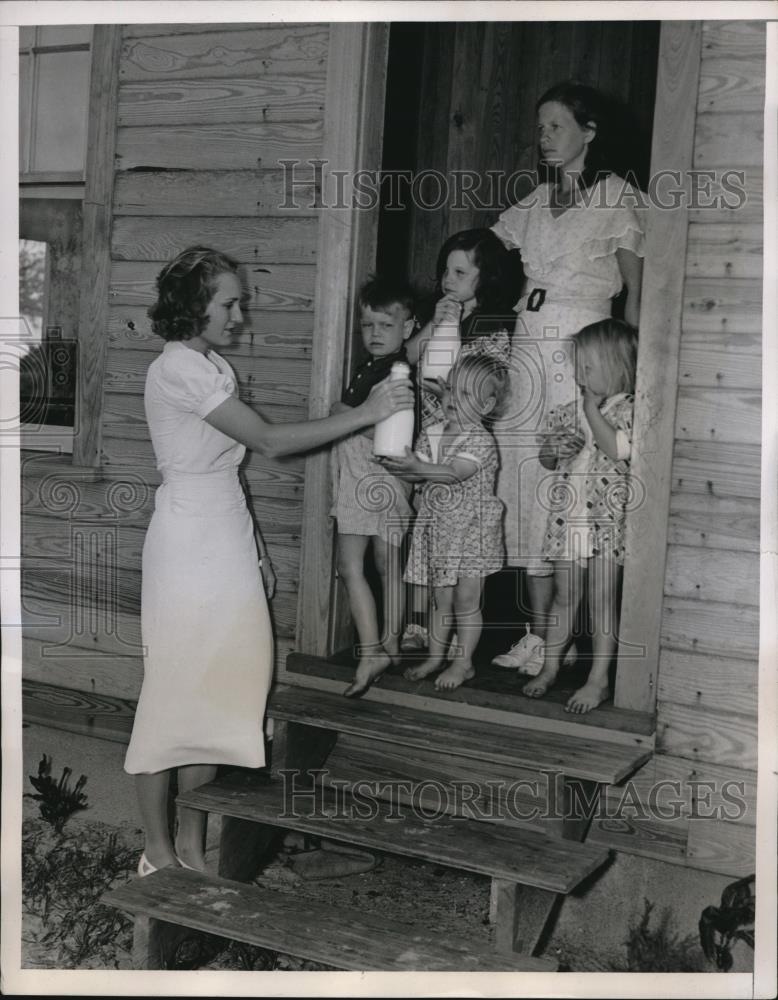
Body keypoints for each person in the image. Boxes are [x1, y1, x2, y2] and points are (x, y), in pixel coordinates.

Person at [123, 247, 413, 875]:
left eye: (240, 302)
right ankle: (156, 852)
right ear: (193, 306)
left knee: (216, 698)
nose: (239, 313)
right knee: (173, 695)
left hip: (226, 536)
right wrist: (367, 413)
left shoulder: (213, 364)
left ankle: (195, 853)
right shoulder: (177, 369)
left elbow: (233, 470)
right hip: (186, 543)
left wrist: (255, 550)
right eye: (229, 302)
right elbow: (266, 442)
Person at [489, 81, 645, 672]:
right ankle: (538, 635)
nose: (544, 137)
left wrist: (630, 373)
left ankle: (573, 637)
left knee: (573, 481)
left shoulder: (616, 197)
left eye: (556, 126)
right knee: (527, 479)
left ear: (590, 132)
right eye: (540, 127)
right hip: (528, 349)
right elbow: (485, 258)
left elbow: (635, 293)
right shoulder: (532, 202)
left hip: (584, 355)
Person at [400, 228, 514, 653]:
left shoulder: (493, 326)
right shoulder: (441, 313)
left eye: (461, 272)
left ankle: (452, 639)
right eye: (446, 270)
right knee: (426, 531)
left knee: (456, 539)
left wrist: (446, 390)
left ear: (485, 278)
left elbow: (484, 385)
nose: (450, 279)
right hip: (429, 432)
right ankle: (425, 625)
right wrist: (437, 321)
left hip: (463, 440)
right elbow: (408, 358)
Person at [524, 318, 638, 713]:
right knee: (564, 597)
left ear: (618, 365)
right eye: (578, 367)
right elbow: (546, 458)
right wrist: (556, 447)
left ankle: (598, 680)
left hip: (606, 525)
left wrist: (592, 409)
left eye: (589, 368)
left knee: (602, 601)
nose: (579, 375)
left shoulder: (628, 409)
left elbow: (617, 449)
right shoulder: (568, 411)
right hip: (567, 521)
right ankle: (550, 667)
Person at [381, 353, 509, 691]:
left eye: (466, 395)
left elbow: (454, 474)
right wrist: (397, 462)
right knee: (442, 600)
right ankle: (436, 657)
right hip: (438, 530)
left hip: (472, 532)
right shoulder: (432, 433)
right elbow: (417, 472)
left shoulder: (481, 441)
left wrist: (417, 467)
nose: (453, 399)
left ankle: (463, 662)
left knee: (467, 600)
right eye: (451, 389)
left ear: (486, 404)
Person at [329, 277, 417, 698]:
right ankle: (382, 645)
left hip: (377, 476)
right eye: (367, 326)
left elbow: (386, 433)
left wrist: (343, 413)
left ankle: (382, 646)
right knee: (365, 566)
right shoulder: (370, 368)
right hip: (360, 477)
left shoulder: (398, 374)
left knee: (373, 564)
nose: (375, 334)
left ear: (409, 328)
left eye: (385, 325)